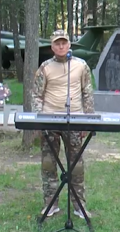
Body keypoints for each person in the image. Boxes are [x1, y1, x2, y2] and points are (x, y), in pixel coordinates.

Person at [31, 29, 95, 219]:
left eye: (64, 43)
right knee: (49, 162)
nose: (61, 46)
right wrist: (39, 120)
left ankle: (79, 205)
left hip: (74, 119)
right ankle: (50, 204)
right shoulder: (44, 67)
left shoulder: (81, 66)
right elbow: (36, 95)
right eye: (57, 43)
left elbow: (87, 94)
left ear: (69, 45)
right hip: (50, 120)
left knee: (76, 164)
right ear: (52, 46)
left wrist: (88, 120)